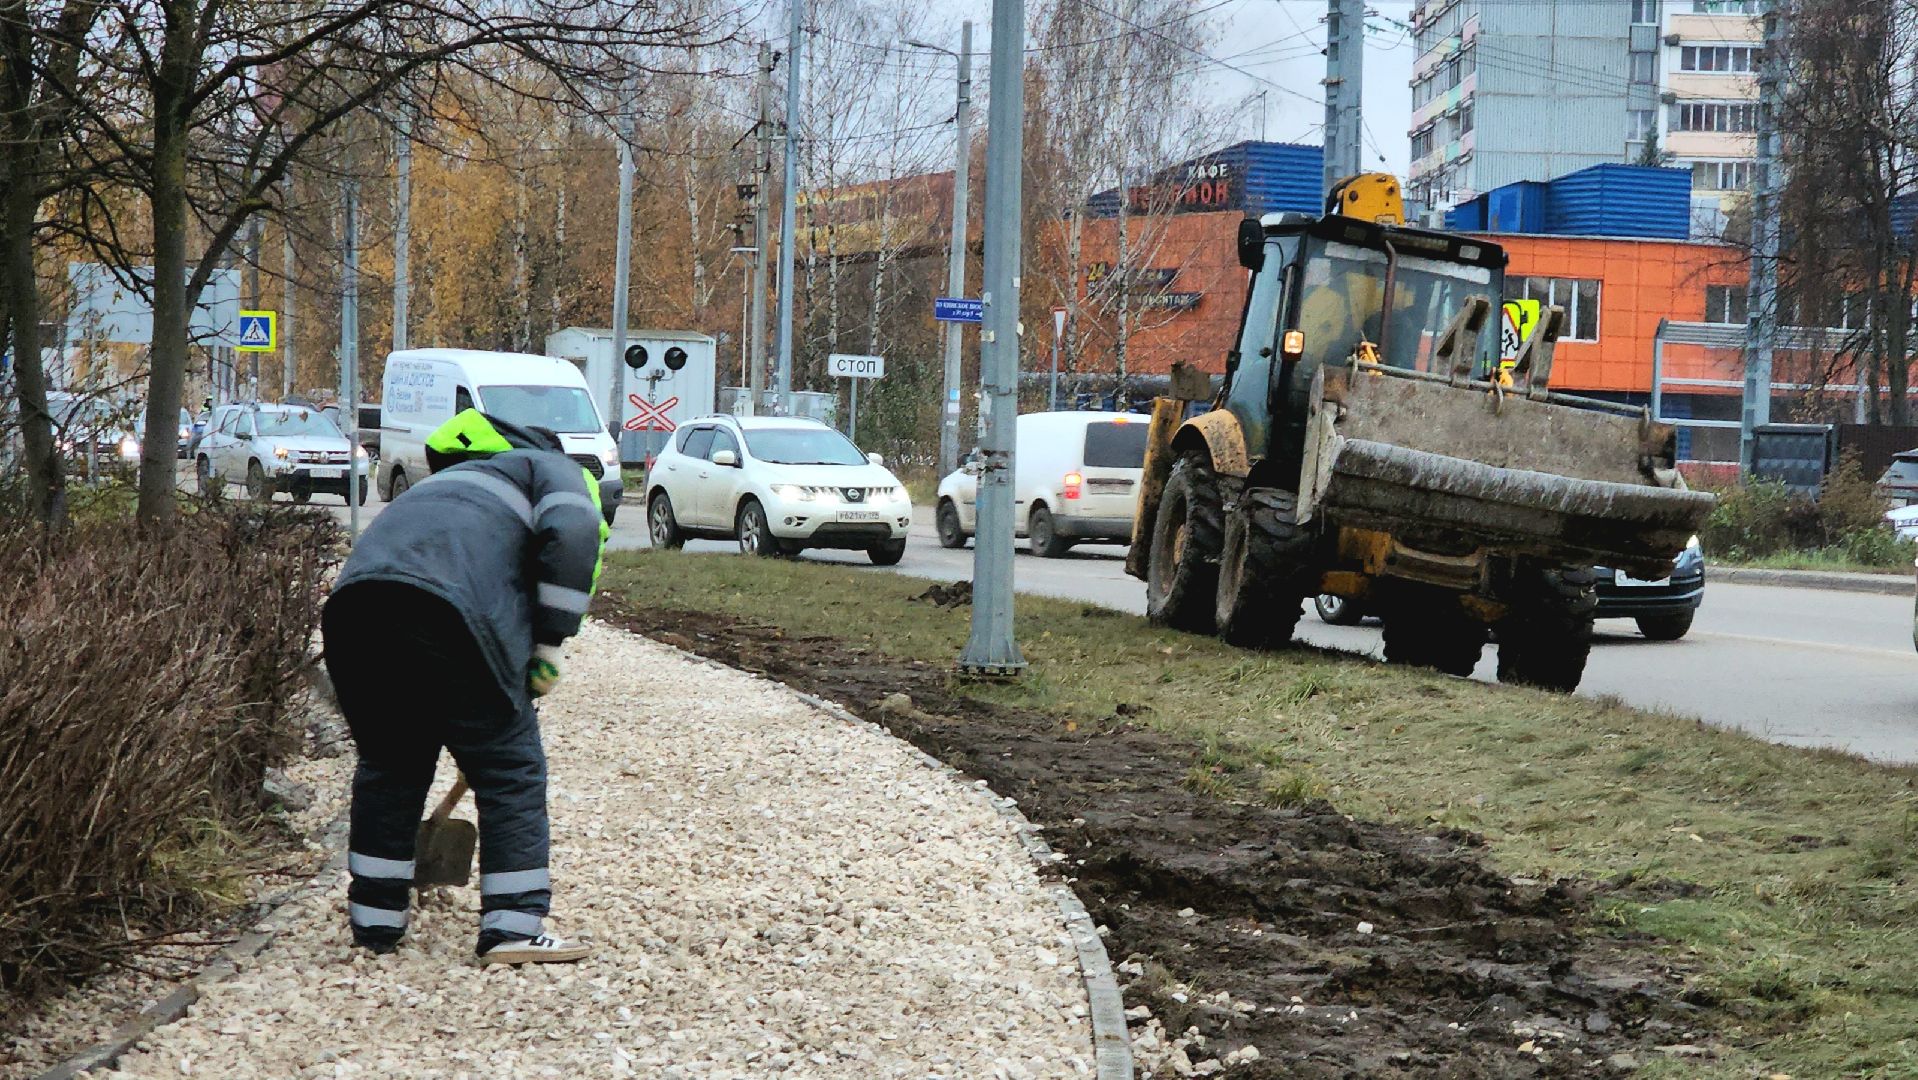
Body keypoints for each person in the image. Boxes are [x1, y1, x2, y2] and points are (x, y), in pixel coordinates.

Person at [322, 408, 608, 964]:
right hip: (448, 613)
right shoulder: (546, 467)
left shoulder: (445, 486)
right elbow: (573, 536)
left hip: (355, 612)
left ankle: (375, 924)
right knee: (507, 764)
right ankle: (513, 927)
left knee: (392, 763)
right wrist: (550, 643)